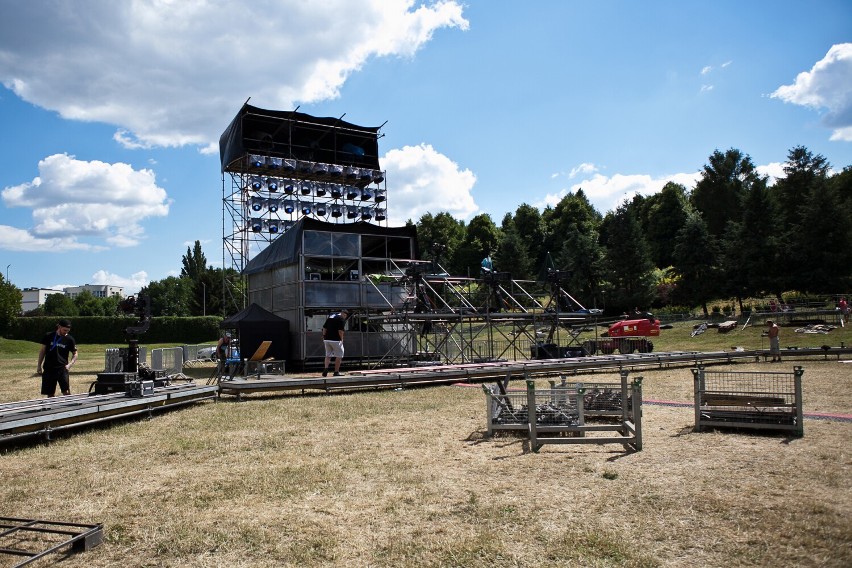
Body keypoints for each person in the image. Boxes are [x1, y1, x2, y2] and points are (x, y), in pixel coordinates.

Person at [37, 318, 77, 397]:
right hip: (49, 368)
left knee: (66, 391)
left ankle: (70, 406)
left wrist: (70, 364)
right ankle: (51, 408)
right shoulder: (48, 336)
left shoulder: (70, 339)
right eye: (64, 330)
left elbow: (75, 353)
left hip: (62, 369)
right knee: (50, 393)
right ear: (59, 327)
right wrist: (39, 366)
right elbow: (42, 351)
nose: (66, 332)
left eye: (68, 331)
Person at [321, 309, 349, 377]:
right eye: (345, 316)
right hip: (336, 340)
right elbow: (340, 331)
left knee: (328, 355)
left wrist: (324, 336)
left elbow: (324, 327)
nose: (345, 317)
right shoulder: (341, 319)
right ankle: (336, 372)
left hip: (327, 339)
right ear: (344, 314)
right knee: (339, 355)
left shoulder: (331, 316)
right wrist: (342, 339)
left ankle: (326, 368)